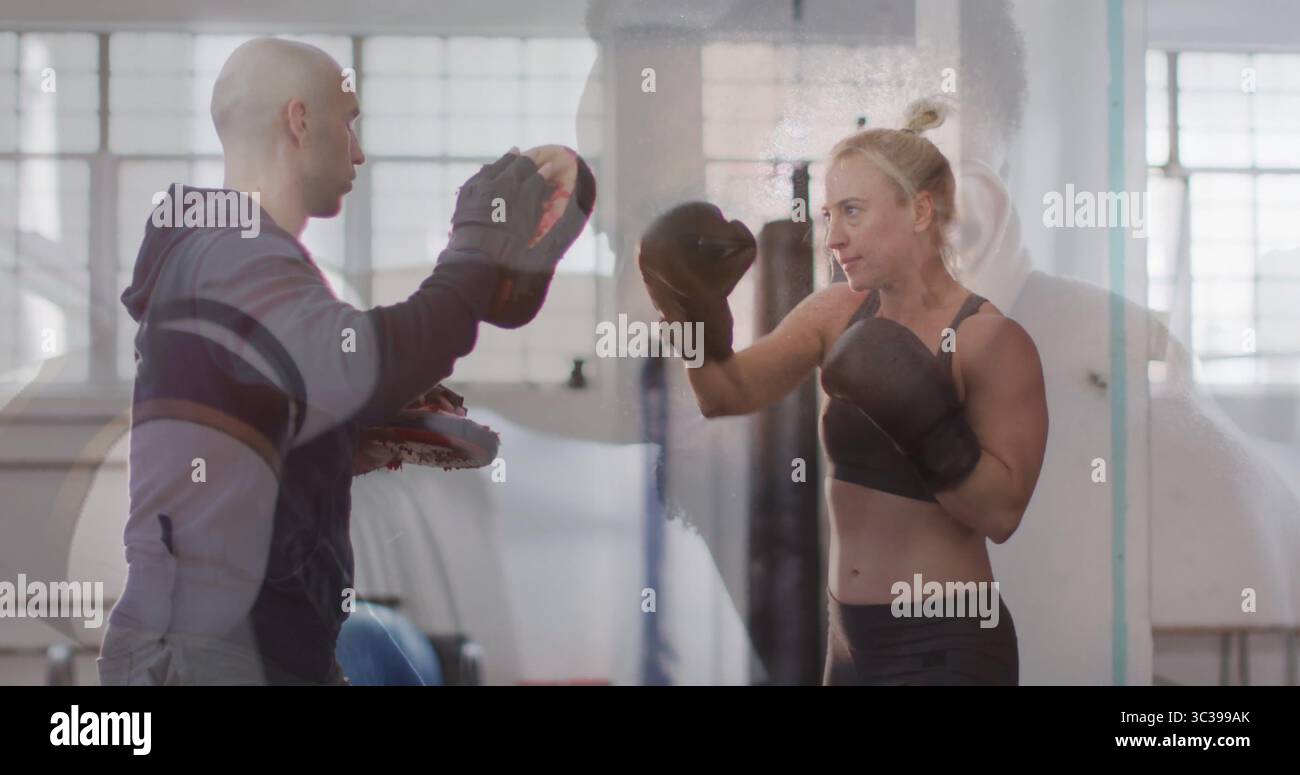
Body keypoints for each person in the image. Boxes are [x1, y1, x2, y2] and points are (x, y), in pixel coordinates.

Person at [98, 37, 558, 685]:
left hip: (269, 649)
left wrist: (351, 438)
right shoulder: (232, 252)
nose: (360, 151)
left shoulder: (239, 259)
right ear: (299, 120)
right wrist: (478, 241)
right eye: (350, 123)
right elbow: (376, 357)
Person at [638, 98, 1048, 685]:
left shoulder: (990, 340)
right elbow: (723, 394)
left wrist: (921, 418)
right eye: (829, 215)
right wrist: (690, 313)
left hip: (945, 641)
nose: (833, 238)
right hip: (849, 642)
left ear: (920, 211)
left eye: (852, 212)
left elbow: (1001, 513)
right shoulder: (839, 312)